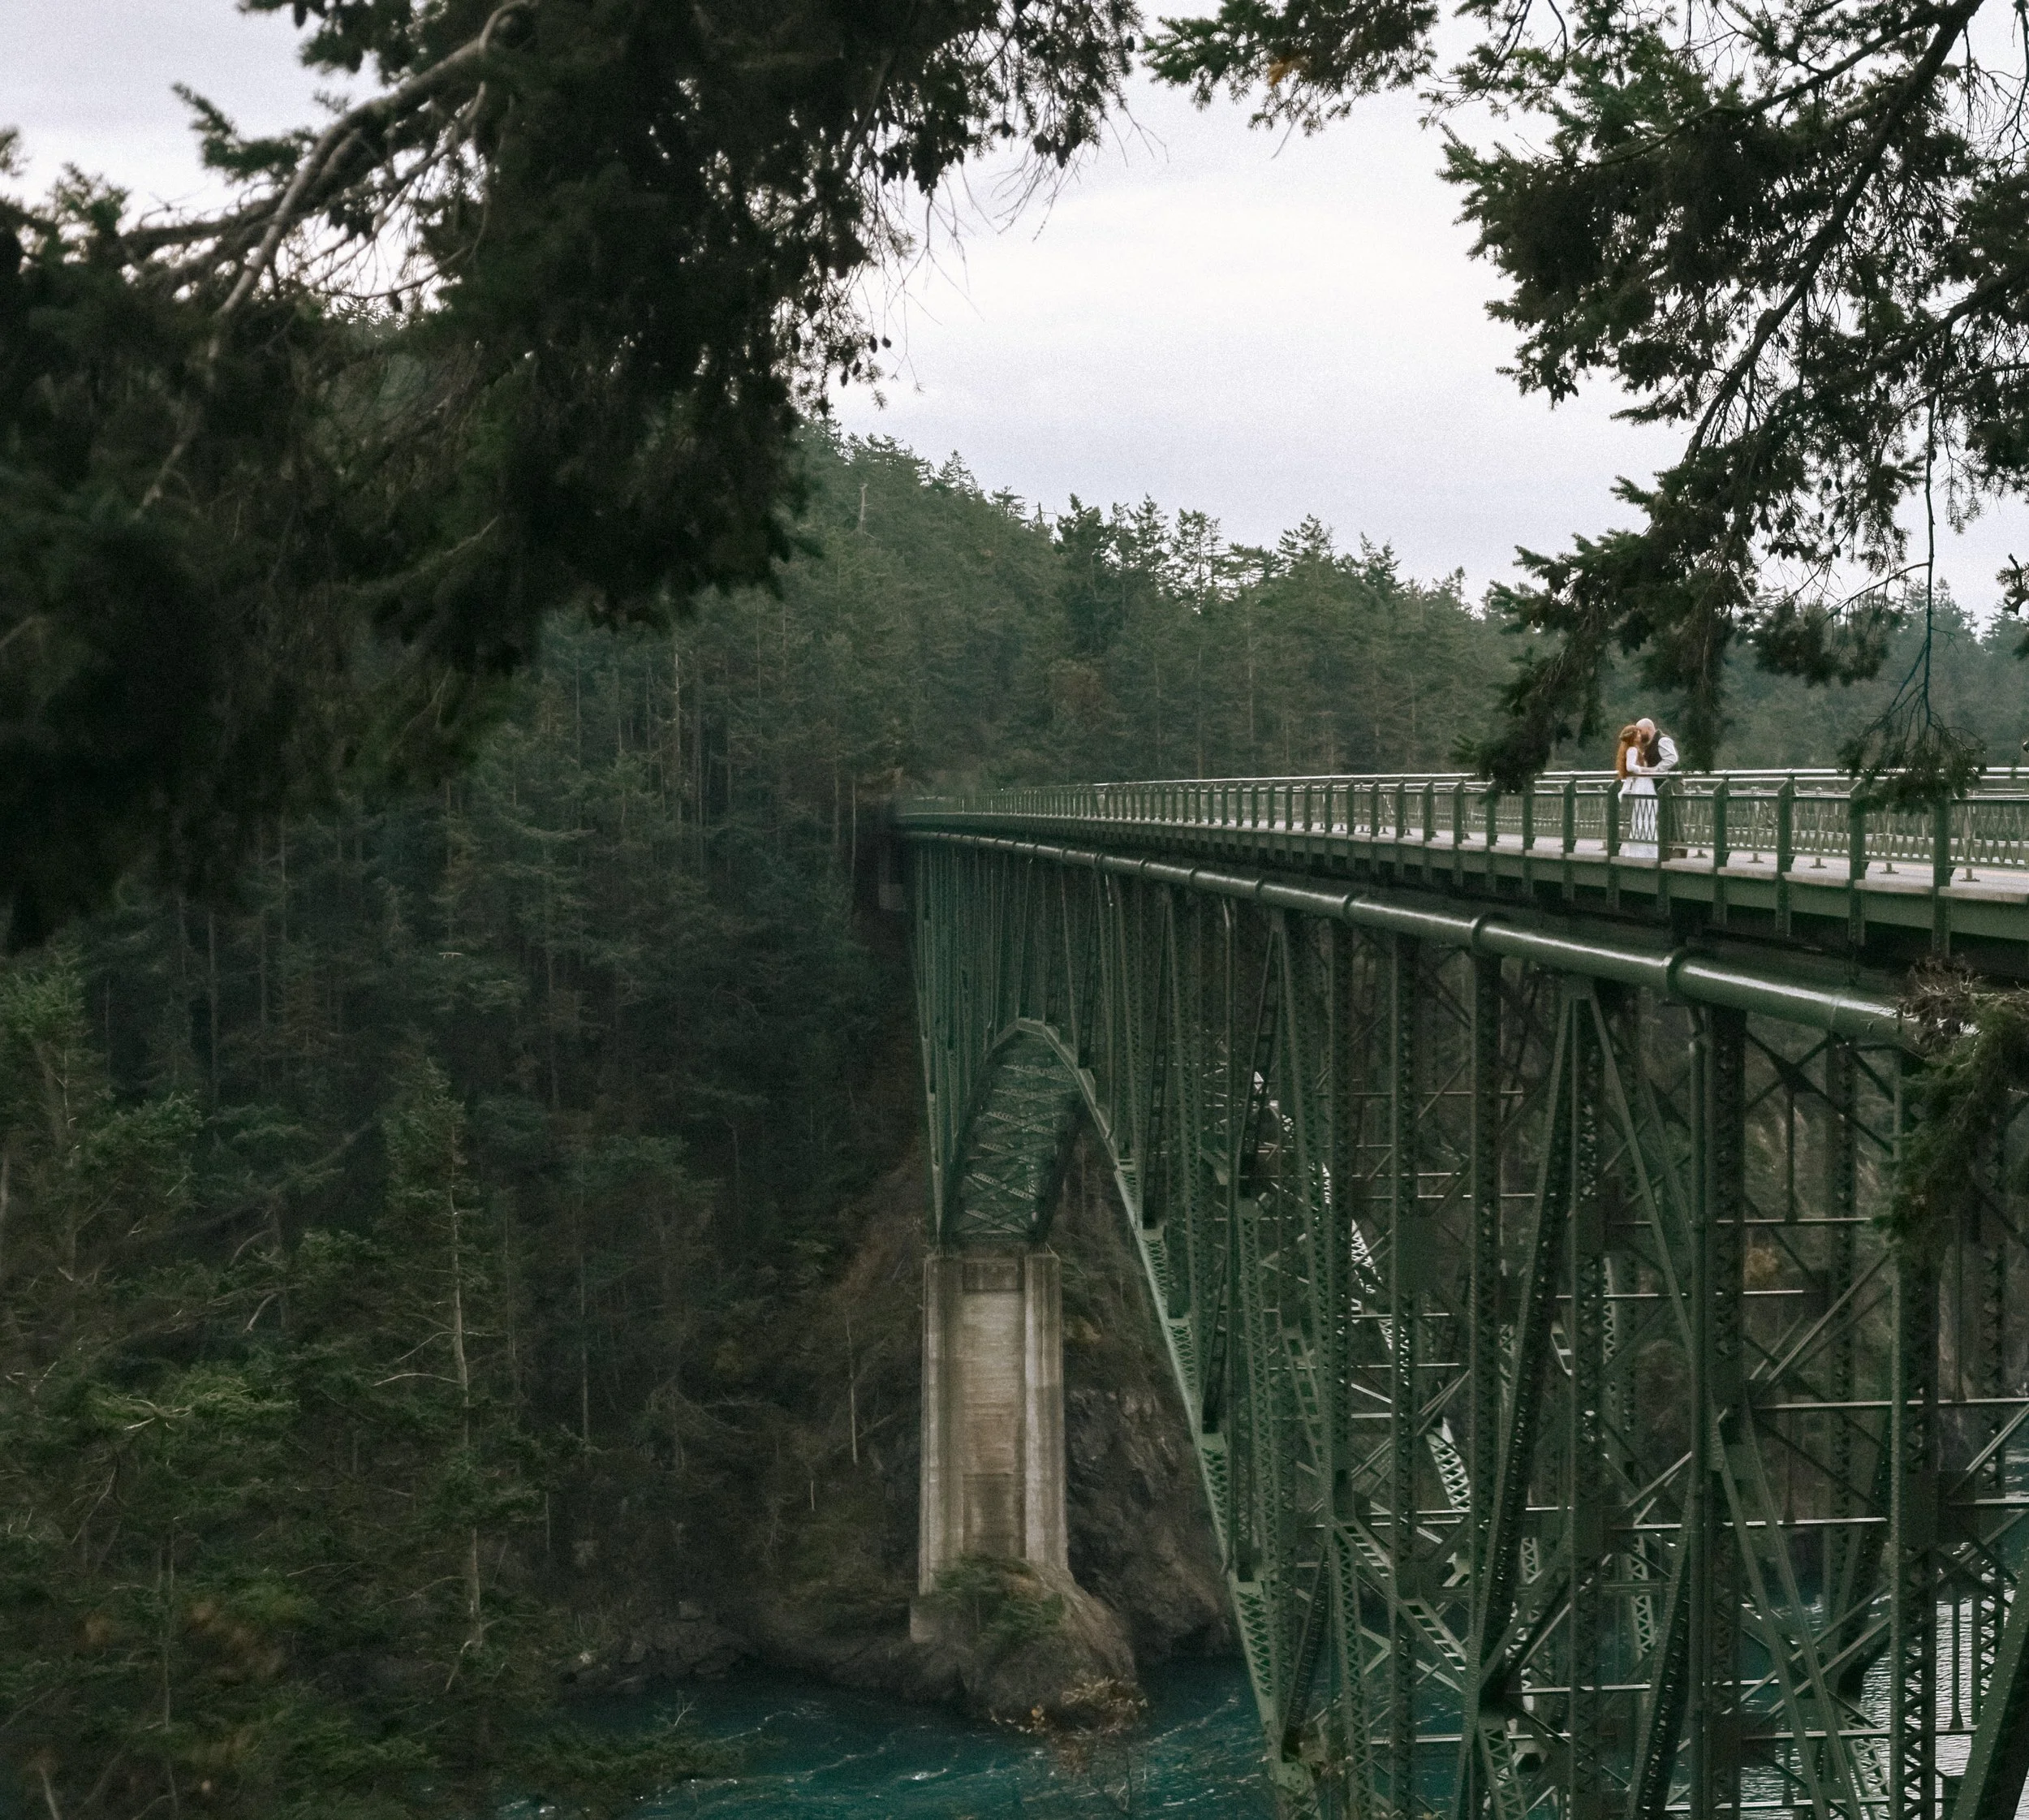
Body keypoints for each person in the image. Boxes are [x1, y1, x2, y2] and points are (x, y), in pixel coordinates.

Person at [1617, 722, 1657, 858]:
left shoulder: (1634, 749)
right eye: (1638, 733)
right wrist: (1643, 770)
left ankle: (1643, 848)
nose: (1640, 735)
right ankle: (1645, 850)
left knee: (1643, 814)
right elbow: (1630, 767)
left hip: (1643, 782)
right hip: (1643, 782)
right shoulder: (1633, 750)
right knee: (1646, 812)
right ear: (1633, 736)